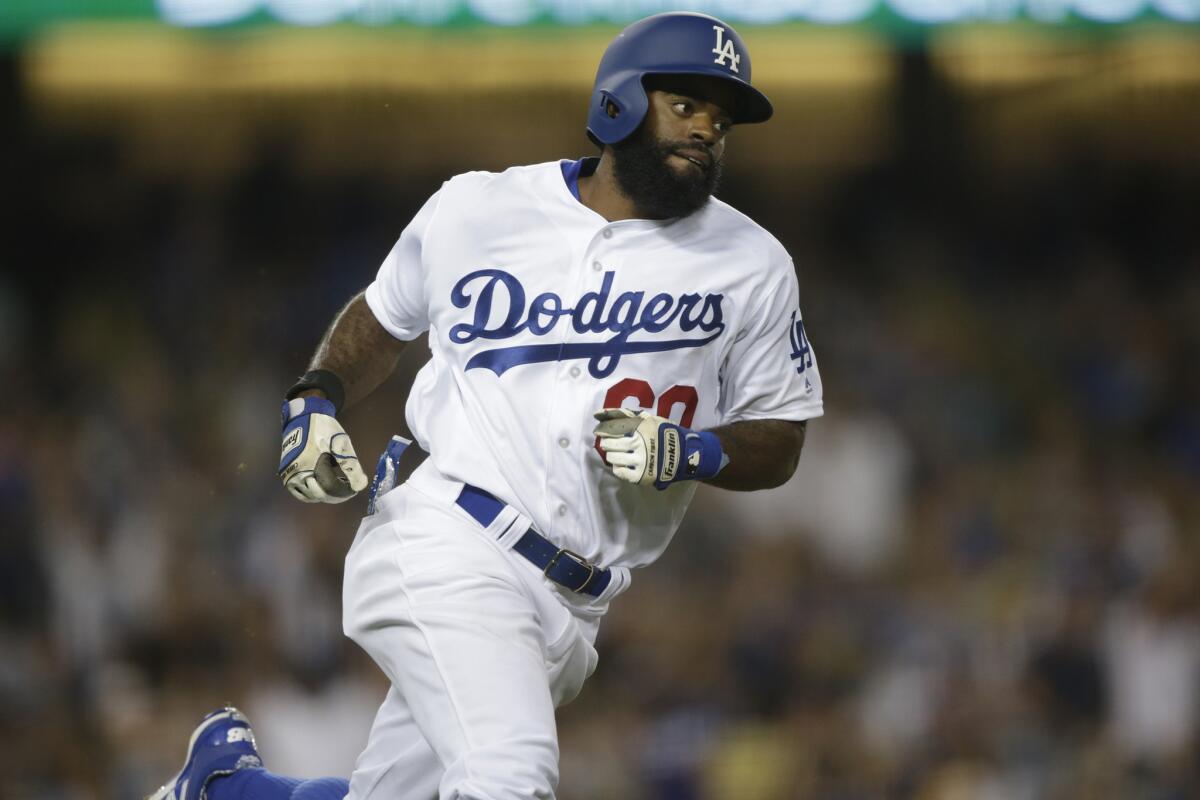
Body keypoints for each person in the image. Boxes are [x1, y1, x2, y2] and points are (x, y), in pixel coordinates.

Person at [150, 11, 823, 800]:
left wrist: (693, 451)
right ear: (620, 104)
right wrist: (315, 399)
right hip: (448, 536)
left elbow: (781, 438)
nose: (707, 130)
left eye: (721, 119)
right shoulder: (479, 208)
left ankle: (226, 789)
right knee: (509, 776)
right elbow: (383, 314)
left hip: (574, 604)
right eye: (686, 106)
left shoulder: (752, 263)